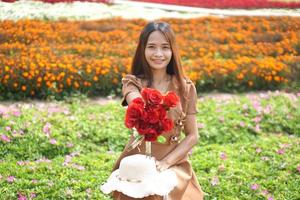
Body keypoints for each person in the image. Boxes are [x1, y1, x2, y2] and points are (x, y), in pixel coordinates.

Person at [112, 21, 205, 200]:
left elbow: (193, 136)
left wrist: (165, 164)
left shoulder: (186, 88)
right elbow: (135, 100)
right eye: (152, 47)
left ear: (172, 51)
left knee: (161, 189)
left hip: (172, 162)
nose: (158, 54)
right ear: (142, 50)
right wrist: (141, 104)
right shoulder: (133, 83)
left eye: (165, 47)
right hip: (138, 161)